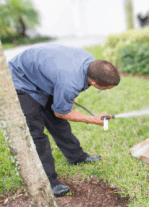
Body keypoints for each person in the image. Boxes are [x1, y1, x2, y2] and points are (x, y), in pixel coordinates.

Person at [8, 43, 120, 197]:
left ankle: (77, 157)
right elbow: (61, 112)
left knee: (59, 125)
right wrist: (92, 119)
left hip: (41, 75)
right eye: (107, 88)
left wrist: (65, 97)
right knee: (37, 134)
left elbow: (65, 89)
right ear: (94, 82)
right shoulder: (69, 81)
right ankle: (49, 182)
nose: (108, 90)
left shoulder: (91, 64)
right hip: (22, 80)